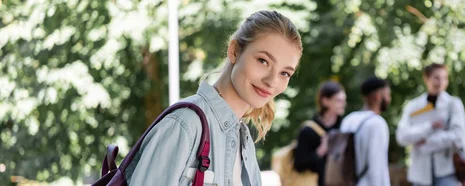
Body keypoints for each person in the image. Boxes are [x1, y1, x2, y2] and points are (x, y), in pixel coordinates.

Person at [125, 10, 303, 186]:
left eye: (285, 73)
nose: (272, 81)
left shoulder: (244, 139)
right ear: (234, 51)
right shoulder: (184, 124)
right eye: (263, 61)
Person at [395, 63, 465, 186]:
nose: (440, 82)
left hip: (447, 172)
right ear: (426, 78)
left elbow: (458, 135)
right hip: (420, 176)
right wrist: (428, 127)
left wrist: (427, 142)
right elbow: (402, 136)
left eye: (444, 78)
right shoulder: (413, 106)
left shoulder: (453, 104)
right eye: (436, 78)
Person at [340, 76, 392, 186]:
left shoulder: (349, 119)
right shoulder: (377, 123)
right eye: (387, 95)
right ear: (378, 96)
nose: (389, 99)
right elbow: (377, 167)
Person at [294, 81, 347, 186]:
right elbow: (299, 166)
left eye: (344, 101)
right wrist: (320, 151)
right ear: (325, 101)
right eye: (338, 101)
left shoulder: (345, 127)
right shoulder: (308, 131)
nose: (343, 104)